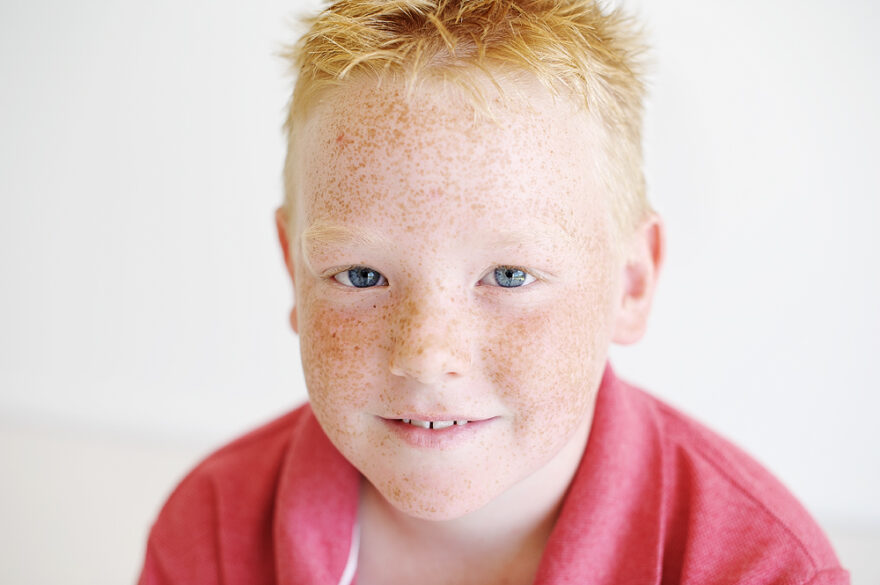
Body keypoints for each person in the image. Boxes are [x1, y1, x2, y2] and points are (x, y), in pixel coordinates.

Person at [138, 1, 848, 583]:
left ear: (631, 283)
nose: (426, 357)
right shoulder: (213, 532)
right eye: (361, 275)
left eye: (508, 275)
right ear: (294, 268)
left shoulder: (764, 569)